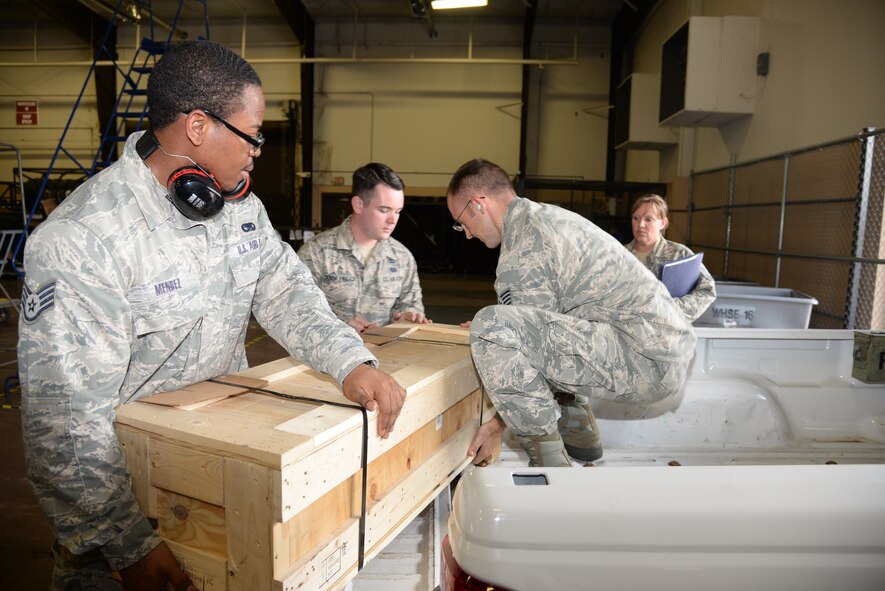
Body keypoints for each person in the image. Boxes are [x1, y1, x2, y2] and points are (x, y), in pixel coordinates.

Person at [18, 40, 407, 591]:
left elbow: (289, 293)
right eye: (252, 137)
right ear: (198, 127)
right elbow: (65, 425)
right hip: (126, 516)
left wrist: (350, 362)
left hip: (216, 484)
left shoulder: (238, 208)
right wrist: (128, 546)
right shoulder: (84, 240)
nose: (258, 152)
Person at [446, 159, 697, 468]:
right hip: (663, 349)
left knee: (489, 326)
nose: (467, 234)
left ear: (477, 204)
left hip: (645, 359)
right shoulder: (547, 217)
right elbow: (546, 328)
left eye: (461, 222)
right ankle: (582, 438)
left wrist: (498, 424)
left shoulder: (526, 245)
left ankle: (551, 467)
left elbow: (522, 346)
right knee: (525, 331)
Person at [298, 163, 431, 334]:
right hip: (326, 357)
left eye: (398, 211)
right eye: (384, 210)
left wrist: (406, 319)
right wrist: (338, 325)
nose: (393, 220)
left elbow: (411, 305)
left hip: (385, 357)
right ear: (358, 205)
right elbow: (296, 314)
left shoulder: (402, 258)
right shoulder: (315, 254)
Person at [625, 193, 716, 321]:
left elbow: (707, 290)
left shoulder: (680, 255)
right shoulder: (620, 255)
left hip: (664, 336)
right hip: (627, 334)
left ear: (663, 223)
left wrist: (673, 310)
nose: (640, 225)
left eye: (648, 219)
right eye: (636, 218)